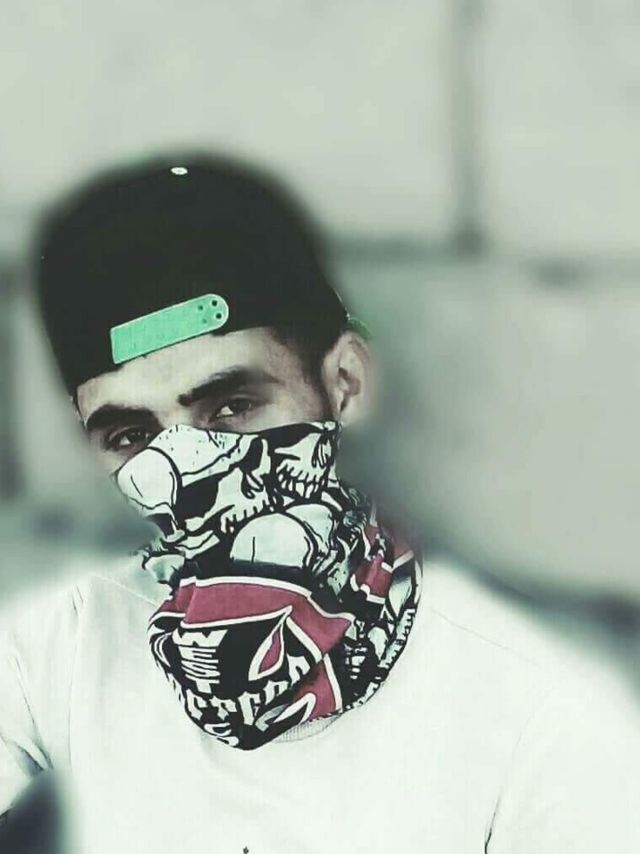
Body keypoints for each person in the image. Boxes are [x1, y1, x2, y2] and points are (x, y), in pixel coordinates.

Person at [1, 155, 639, 853]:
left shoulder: (536, 715)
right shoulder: (59, 650)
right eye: (133, 436)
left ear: (344, 382)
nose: (186, 473)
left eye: (232, 406)